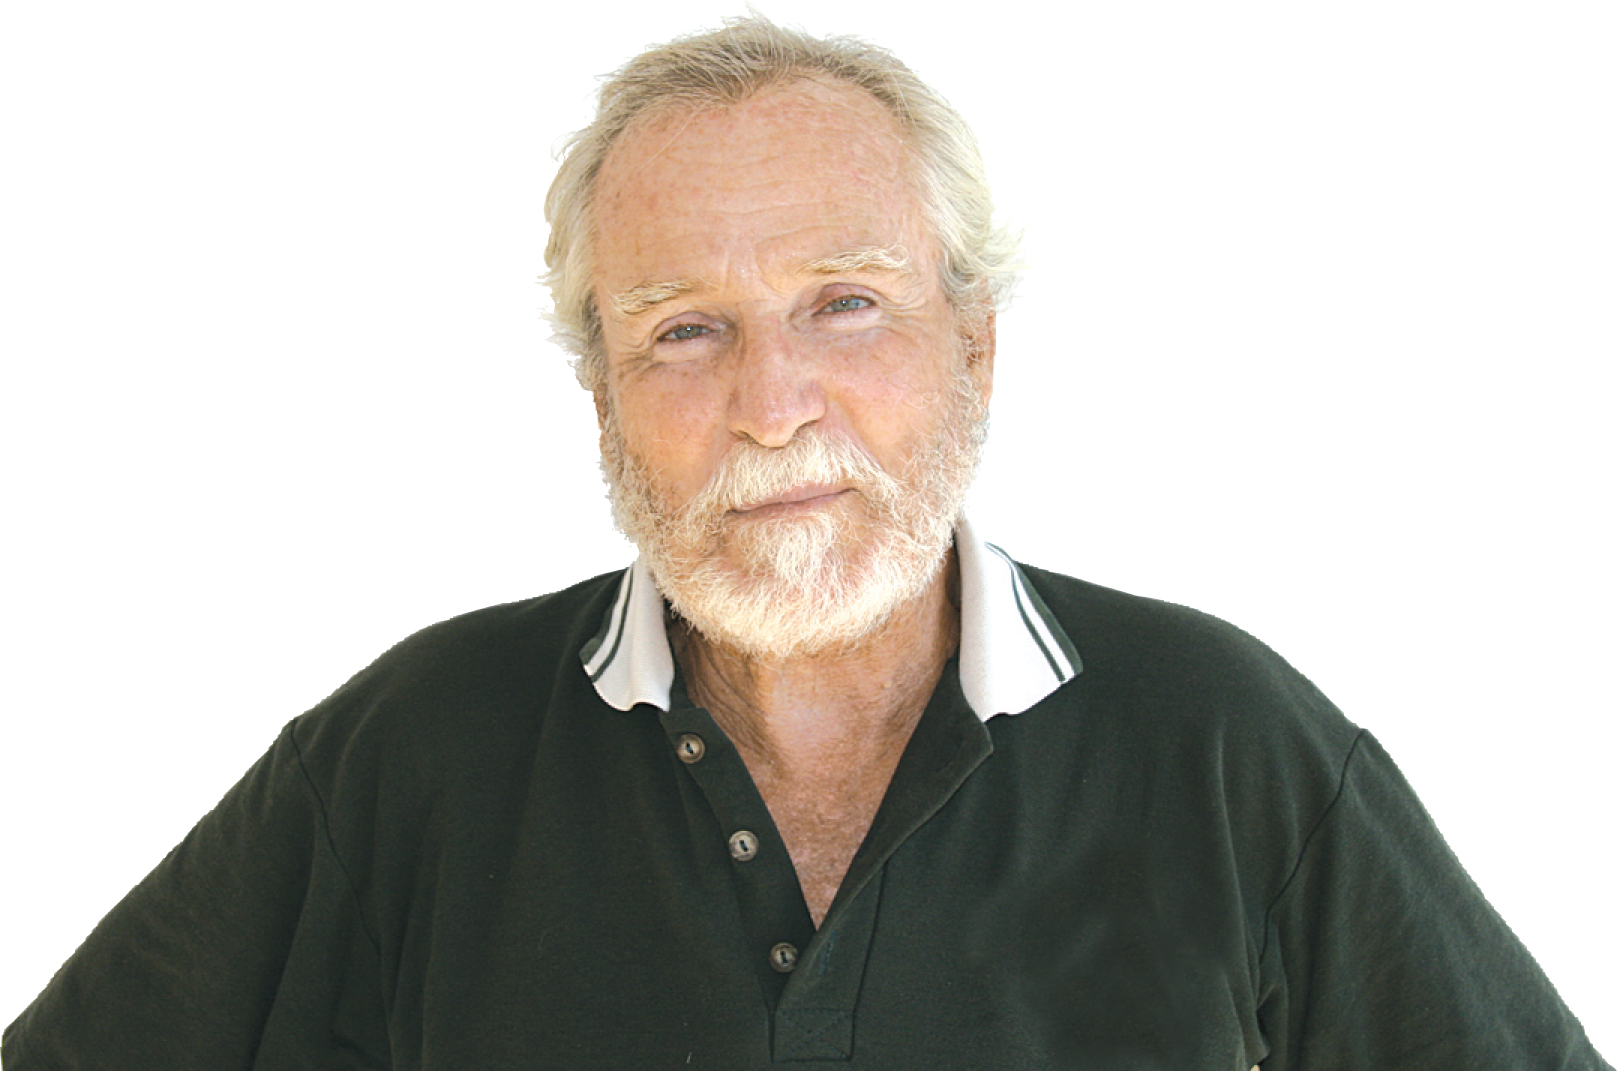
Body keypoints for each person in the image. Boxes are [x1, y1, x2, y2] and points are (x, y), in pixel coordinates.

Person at [3, 15, 1609, 1070]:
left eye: (844, 304)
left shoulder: (1223, 743)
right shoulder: (413, 753)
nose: (772, 407)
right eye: (682, 328)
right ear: (601, 392)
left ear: (973, 343)